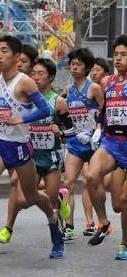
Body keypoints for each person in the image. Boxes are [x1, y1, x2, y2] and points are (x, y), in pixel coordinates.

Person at [0, 35, 64, 259]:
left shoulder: (25, 82)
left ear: (17, 56)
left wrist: (21, 120)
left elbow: (45, 110)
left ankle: (53, 220)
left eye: (3, 51)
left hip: (20, 146)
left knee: (31, 196)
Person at [0, 58, 73, 246]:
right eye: (33, 73)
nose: (36, 77)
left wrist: (59, 132)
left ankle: (58, 234)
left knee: (51, 203)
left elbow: (71, 130)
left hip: (51, 158)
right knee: (23, 199)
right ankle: (9, 226)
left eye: (41, 74)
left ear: (51, 77)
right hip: (31, 157)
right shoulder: (26, 98)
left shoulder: (59, 102)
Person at [86, 35, 127, 259]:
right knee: (92, 176)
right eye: (116, 54)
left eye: (124, 55)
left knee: (121, 204)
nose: (118, 58)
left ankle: (125, 243)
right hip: (111, 142)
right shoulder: (107, 82)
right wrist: (98, 128)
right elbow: (103, 109)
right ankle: (102, 223)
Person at [62, 48, 104, 241]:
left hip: (94, 144)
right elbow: (65, 115)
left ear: (86, 67)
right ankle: (69, 227)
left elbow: (104, 111)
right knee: (68, 183)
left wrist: (97, 130)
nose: (74, 67)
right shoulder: (68, 90)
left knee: (92, 181)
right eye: (72, 64)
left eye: (78, 64)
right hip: (75, 143)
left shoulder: (93, 88)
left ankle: (101, 221)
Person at [81, 57, 111, 236]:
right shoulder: (86, 89)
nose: (94, 73)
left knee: (110, 190)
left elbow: (104, 111)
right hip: (89, 140)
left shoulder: (108, 88)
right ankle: (92, 222)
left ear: (106, 73)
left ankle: (104, 219)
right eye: (92, 69)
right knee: (88, 179)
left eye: (98, 70)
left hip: (112, 141)